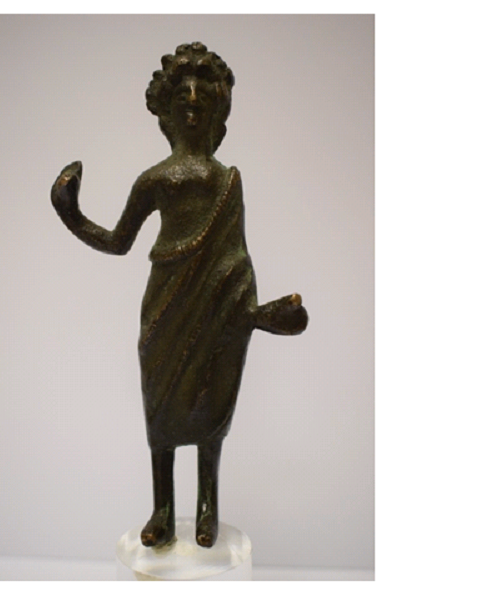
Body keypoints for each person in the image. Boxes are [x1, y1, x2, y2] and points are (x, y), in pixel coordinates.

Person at [51, 42, 307, 548]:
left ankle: (208, 507)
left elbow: (236, 254)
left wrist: (248, 309)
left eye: (202, 100)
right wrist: (71, 214)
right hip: (165, 304)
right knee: (162, 408)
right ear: (165, 114)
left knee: (211, 402)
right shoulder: (155, 180)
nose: (192, 105)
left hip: (218, 304)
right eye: (182, 100)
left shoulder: (227, 181)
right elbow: (119, 241)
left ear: (218, 113)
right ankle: (163, 509)